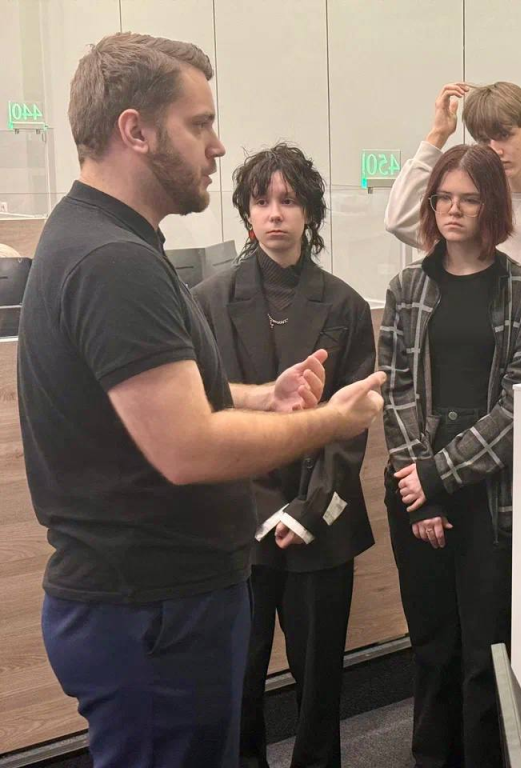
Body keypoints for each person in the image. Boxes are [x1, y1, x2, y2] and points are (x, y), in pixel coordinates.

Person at [16, 33, 384, 768]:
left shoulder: (109, 240)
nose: (217, 146)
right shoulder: (113, 261)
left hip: (153, 605)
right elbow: (187, 446)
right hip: (150, 611)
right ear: (136, 130)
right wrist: (329, 420)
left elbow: (158, 397)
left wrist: (265, 397)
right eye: (199, 124)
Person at [193, 143, 376, 768]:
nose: (275, 213)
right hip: (237, 521)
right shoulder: (207, 299)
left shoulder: (346, 304)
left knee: (320, 680)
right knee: (237, 677)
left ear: (310, 213)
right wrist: (258, 508)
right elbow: (205, 409)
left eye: (289, 201)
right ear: (247, 212)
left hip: (318, 517)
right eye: (262, 201)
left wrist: (308, 509)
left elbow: (350, 427)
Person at [379, 143, 521, 767]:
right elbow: (394, 392)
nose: (453, 210)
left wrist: (439, 476)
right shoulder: (406, 288)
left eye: (469, 199)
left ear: (492, 206)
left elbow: (520, 405)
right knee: (433, 647)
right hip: (414, 489)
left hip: (491, 493)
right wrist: (418, 488)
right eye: (444, 198)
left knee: (485, 650)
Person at [384, 81, 521, 315]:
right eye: (483, 140)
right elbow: (400, 220)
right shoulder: (471, 205)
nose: (495, 150)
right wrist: (438, 135)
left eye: (504, 135)